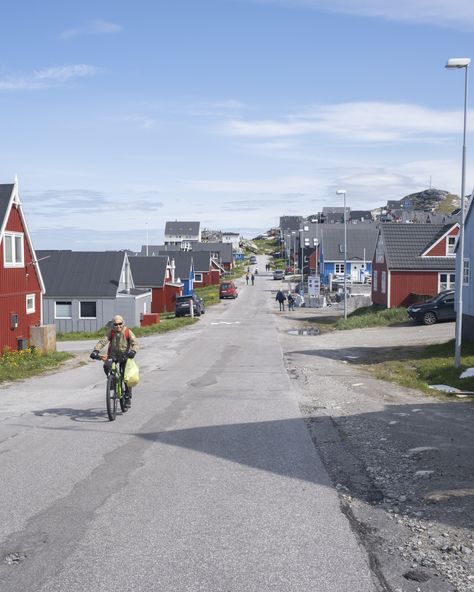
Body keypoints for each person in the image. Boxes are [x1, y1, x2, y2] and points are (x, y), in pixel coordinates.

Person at [90, 315, 139, 408]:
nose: (118, 326)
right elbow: (103, 341)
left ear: (123, 323)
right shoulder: (111, 332)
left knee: (126, 376)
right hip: (112, 355)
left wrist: (133, 351)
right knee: (106, 366)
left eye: (120, 324)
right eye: (115, 324)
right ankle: (111, 381)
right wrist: (96, 350)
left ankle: (127, 396)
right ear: (112, 325)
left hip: (125, 356)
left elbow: (135, 343)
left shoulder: (128, 332)